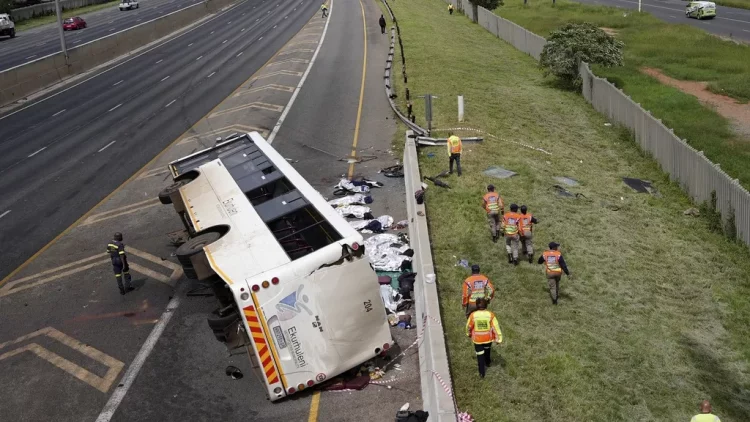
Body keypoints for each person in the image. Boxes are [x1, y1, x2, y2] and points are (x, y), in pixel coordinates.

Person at [465, 298, 502, 378]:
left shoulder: (473, 315)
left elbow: (469, 326)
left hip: (477, 340)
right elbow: (496, 327)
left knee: (480, 355)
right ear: (486, 305)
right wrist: (499, 338)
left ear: (476, 306)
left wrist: (469, 334)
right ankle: (488, 362)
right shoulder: (490, 315)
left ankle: (482, 373)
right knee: (487, 350)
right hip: (488, 338)